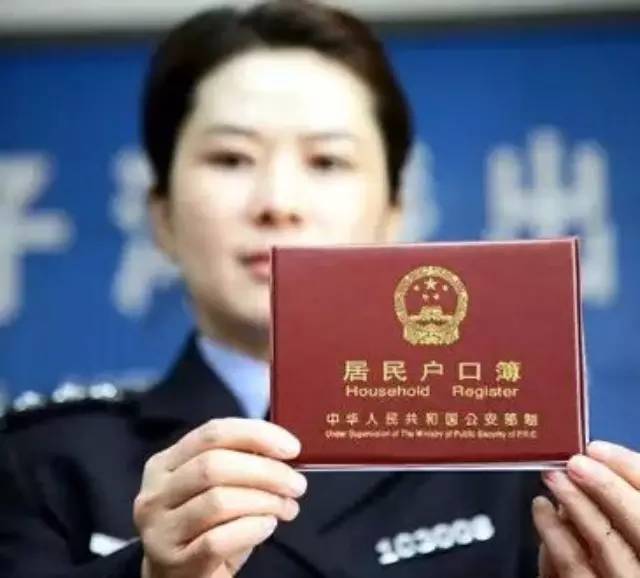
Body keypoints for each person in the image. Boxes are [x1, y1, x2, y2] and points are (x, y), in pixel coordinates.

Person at [1, 1, 639, 577]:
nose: (278, 202)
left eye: (327, 161)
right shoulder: (47, 462)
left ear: (394, 215)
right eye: (230, 159)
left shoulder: (503, 463)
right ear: (161, 216)